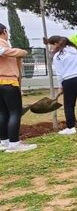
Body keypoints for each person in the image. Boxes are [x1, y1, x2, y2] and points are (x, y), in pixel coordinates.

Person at [0, 23, 36, 153]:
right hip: (8, 82)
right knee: (15, 112)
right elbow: (6, 52)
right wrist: (21, 52)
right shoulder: (2, 44)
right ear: (4, 31)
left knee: (3, 112)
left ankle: (4, 141)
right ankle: (14, 143)